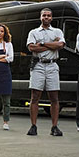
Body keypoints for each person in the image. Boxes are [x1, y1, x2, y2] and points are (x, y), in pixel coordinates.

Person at [26, 8, 65, 137]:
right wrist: (52, 44)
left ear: (52, 18)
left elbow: (60, 45)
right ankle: (33, 126)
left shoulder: (57, 31)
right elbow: (31, 47)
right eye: (44, 15)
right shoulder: (34, 32)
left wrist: (42, 43)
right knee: (35, 96)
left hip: (52, 65)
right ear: (40, 17)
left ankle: (54, 127)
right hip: (38, 65)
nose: (46, 17)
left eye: (48, 15)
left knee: (54, 97)